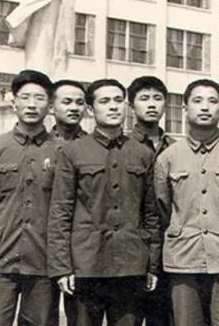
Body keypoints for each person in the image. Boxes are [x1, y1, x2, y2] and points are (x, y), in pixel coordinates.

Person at [48, 79, 161, 325]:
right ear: (91, 109)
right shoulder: (73, 152)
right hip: (86, 265)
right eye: (105, 101)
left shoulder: (143, 153)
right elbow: (61, 211)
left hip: (130, 265)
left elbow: (151, 213)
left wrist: (152, 265)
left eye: (118, 100)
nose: (113, 106)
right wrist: (62, 267)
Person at [154, 79, 219, 326]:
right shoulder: (168, 157)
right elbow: (164, 208)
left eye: (212, 101)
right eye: (197, 101)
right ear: (184, 108)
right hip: (183, 259)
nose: (205, 107)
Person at [0, 70, 60, 326]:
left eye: (39, 98)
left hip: (43, 260)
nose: (32, 104)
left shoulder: (61, 151)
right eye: (25, 97)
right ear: (14, 103)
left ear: (50, 105)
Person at [127, 75, 175, 326]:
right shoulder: (123, 148)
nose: (152, 104)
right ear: (131, 105)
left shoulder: (175, 148)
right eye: (144, 98)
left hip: (168, 248)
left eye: (158, 98)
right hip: (134, 248)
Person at [49, 79, 87, 326]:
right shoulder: (41, 144)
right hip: (41, 245)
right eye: (66, 102)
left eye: (79, 102)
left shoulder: (91, 146)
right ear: (52, 106)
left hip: (78, 251)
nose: (74, 107)